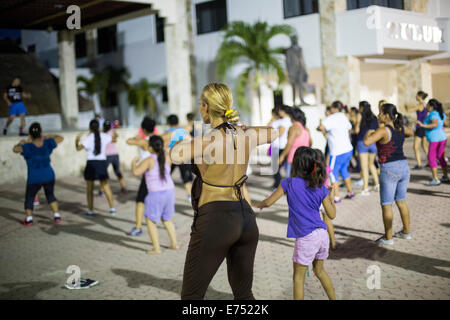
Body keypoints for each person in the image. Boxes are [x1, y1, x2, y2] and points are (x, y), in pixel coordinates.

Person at [171, 83, 277, 300]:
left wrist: (182, 140)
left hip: (216, 220)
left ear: (207, 107)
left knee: (191, 297)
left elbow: (175, 155)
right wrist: (244, 129)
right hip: (246, 218)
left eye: (201, 104)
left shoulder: (208, 140)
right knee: (244, 295)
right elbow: (273, 133)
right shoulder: (245, 135)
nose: (200, 108)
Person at [254, 147, 336, 300]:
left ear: (297, 164)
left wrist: (254, 205)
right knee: (320, 271)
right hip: (322, 234)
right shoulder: (320, 186)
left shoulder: (288, 183)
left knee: (298, 279)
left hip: (306, 237)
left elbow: (268, 202)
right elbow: (332, 215)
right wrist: (331, 196)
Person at [363, 103, 413, 245]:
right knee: (401, 201)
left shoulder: (383, 130)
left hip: (389, 169)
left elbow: (367, 142)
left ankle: (388, 238)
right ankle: (406, 232)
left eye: (380, 113)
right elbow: (410, 132)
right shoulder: (400, 128)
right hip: (404, 167)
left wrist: (369, 132)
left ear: (386, 115)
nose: (378, 115)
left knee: (386, 204)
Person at [131, 135, 179, 254]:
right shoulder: (167, 157)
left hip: (156, 193)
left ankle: (156, 248)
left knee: (150, 220)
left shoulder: (149, 160)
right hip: (169, 191)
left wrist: (133, 163)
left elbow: (136, 172)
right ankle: (174, 244)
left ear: (150, 148)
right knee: (167, 219)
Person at [12, 122, 63, 225]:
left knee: (30, 197)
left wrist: (21, 143)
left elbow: (15, 149)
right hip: (49, 175)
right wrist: (48, 136)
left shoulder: (27, 146)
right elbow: (60, 138)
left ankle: (29, 218)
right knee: (50, 195)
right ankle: (56, 215)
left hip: (34, 177)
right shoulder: (47, 143)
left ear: (30, 135)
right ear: (41, 133)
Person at [75, 119, 116, 216]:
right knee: (106, 187)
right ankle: (112, 209)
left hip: (91, 164)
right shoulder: (104, 136)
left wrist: (76, 141)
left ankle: (90, 210)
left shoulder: (88, 138)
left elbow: (78, 148)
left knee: (90, 189)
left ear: (90, 128)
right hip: (102, 164)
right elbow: (114, 139)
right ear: (99, 127)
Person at [317, 101, 355, 203]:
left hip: (337, 151)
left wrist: (321, 127)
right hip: (348, 149)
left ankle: (336, 197)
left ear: (334, 108)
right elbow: (349, 128)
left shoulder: (330, 118)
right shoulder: (343, 116)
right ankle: (350, 192)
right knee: (344, 171)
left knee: (331, 172)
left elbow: (321, 127)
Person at [126, 117, 156, 236]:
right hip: (157, 173)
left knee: (140, 200)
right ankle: (168, 222)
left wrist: (137, 136)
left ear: (143, 129)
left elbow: (128, 141)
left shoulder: (144, 141)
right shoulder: (156, 140)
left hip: (147, 174)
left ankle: (138, 227)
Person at [417, 99, 449, 185]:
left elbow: (435, 124)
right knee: (441, 157)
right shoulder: (440, 113)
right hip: (442, 138)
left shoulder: (433, 114)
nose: (426, 106)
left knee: (431, 158)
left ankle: (435, 179)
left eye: (427, 105)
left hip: (435, 140)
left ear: (431, 107)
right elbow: (446, 123)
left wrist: (423, 125)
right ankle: (445, 177)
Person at [162, 114, 193, 201]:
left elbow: (163, 144)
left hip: (170, 157)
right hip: (182, 157)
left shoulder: (167, 132)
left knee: (165, 175)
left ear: (168, 122)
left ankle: (163, 193)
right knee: (186, 179)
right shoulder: (182, 131)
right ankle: (190, 197)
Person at [355, 101, 380, 195]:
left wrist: (357, 124)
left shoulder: (360, 115)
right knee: (371, 164)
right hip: (373, 142)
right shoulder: (374, 117)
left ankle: (365, 188)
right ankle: (377, 184)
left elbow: (357, 130)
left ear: (361, 107)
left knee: (364, 167)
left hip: (362, 142)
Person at [279, 107, 311, 178]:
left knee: (290, 181)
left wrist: (282, 156)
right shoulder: (306, 129)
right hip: (305, 158)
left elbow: (289, 143)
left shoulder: (293, 127)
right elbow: (310, 142)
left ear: (292, 117)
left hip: (293, 158)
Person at [101, 120, 127, 194]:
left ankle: (102, 191)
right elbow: (116, 138)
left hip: (107, 155)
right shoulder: (111, 132)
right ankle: (123, 188)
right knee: (117, 171)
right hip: (115, 154)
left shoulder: (103, 134)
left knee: (103, 173)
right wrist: (113, 132)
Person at [269, 106, 292, 188]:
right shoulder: (287, 120)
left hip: (281, 146)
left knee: (277, 167)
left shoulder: (285, 121)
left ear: (284, 111)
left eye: (280, 110)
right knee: (284, 167)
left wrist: (269, 136)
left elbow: (280, 133)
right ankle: (280, 185)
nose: (279, 112)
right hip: (281, 146)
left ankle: (278, 186)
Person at [406, 91, 429, 170]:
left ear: (419, 96)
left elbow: (409, 110)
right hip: (425, 127)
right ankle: (430, 161)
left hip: (420, 128)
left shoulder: (419, 105)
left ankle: (419, 164)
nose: (415, 97)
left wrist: (406, 106)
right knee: (424, 146)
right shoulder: (426, 105)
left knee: (416, 147)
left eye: (416, 96)